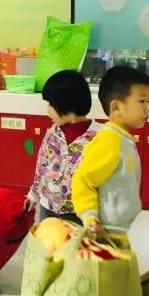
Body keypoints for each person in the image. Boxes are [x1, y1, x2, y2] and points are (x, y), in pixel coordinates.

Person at [72, 65, 149, 296]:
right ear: (117, 107)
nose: (147, 109)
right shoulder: (109, 140)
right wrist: (90, 217)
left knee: (122, 295)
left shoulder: (123, 138)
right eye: (141, 101)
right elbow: (83, 180)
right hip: (105, 233)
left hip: (117, 232)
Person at [25, 70, 98, 225]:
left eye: (50, 105)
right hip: (48, 208)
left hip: (80, 213)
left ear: (65, 103)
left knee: (75, 242)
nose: (47, 111)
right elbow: (41, 167)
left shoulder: (99, 137)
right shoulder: (52, 134)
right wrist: (33, 195)